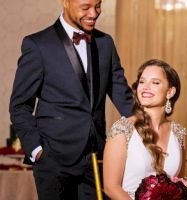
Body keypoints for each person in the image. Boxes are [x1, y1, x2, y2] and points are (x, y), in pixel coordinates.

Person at [9, 0, 134, 199]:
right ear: (65, 2)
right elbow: (19, 105)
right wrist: (37, 150)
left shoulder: (105, 43)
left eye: (98, 5)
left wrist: (151, 128)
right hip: (53, 160)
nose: (94, 13)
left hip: (96, 156)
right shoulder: (38, 45)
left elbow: (123, 96)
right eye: (85, 7)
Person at [103, 59, 187, 200]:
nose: (145, 87)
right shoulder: (122, 129)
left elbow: (179, 185)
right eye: (142, 82)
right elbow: (111, 187)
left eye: (155, 82)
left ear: (170, 92)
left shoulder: (179, 133)